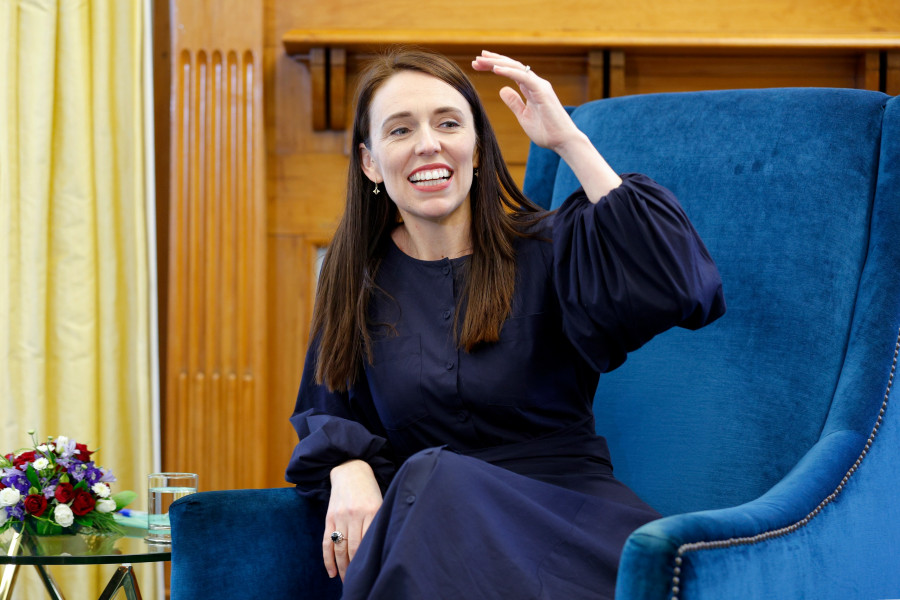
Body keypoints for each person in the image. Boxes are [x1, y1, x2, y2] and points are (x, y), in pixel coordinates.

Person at [285, 48, 725, 599]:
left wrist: (570, 141)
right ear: (371, 162)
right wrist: (346, 467)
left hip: (567, 524)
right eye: (400, 130)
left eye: (448, 123)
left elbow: (681, 281)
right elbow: (326, 408)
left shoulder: (550, 247)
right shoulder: (356, 281)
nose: (428, 143)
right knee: (430, 484)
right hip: (435, 540)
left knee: (432, 478)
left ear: (476, 149)